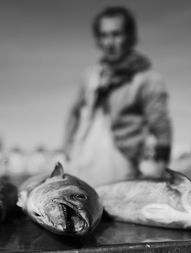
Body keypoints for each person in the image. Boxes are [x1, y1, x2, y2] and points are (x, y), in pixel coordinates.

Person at [63, 6, 172, 186]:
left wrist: (159, 173)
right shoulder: (91, 75)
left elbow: (161, 126)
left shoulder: (147, 79)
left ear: (130, 37)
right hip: (80, 166)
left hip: (121, 173)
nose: (109, 42)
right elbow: (75, 113)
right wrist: (66, 147)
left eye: (116, 34)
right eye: (104, 35)